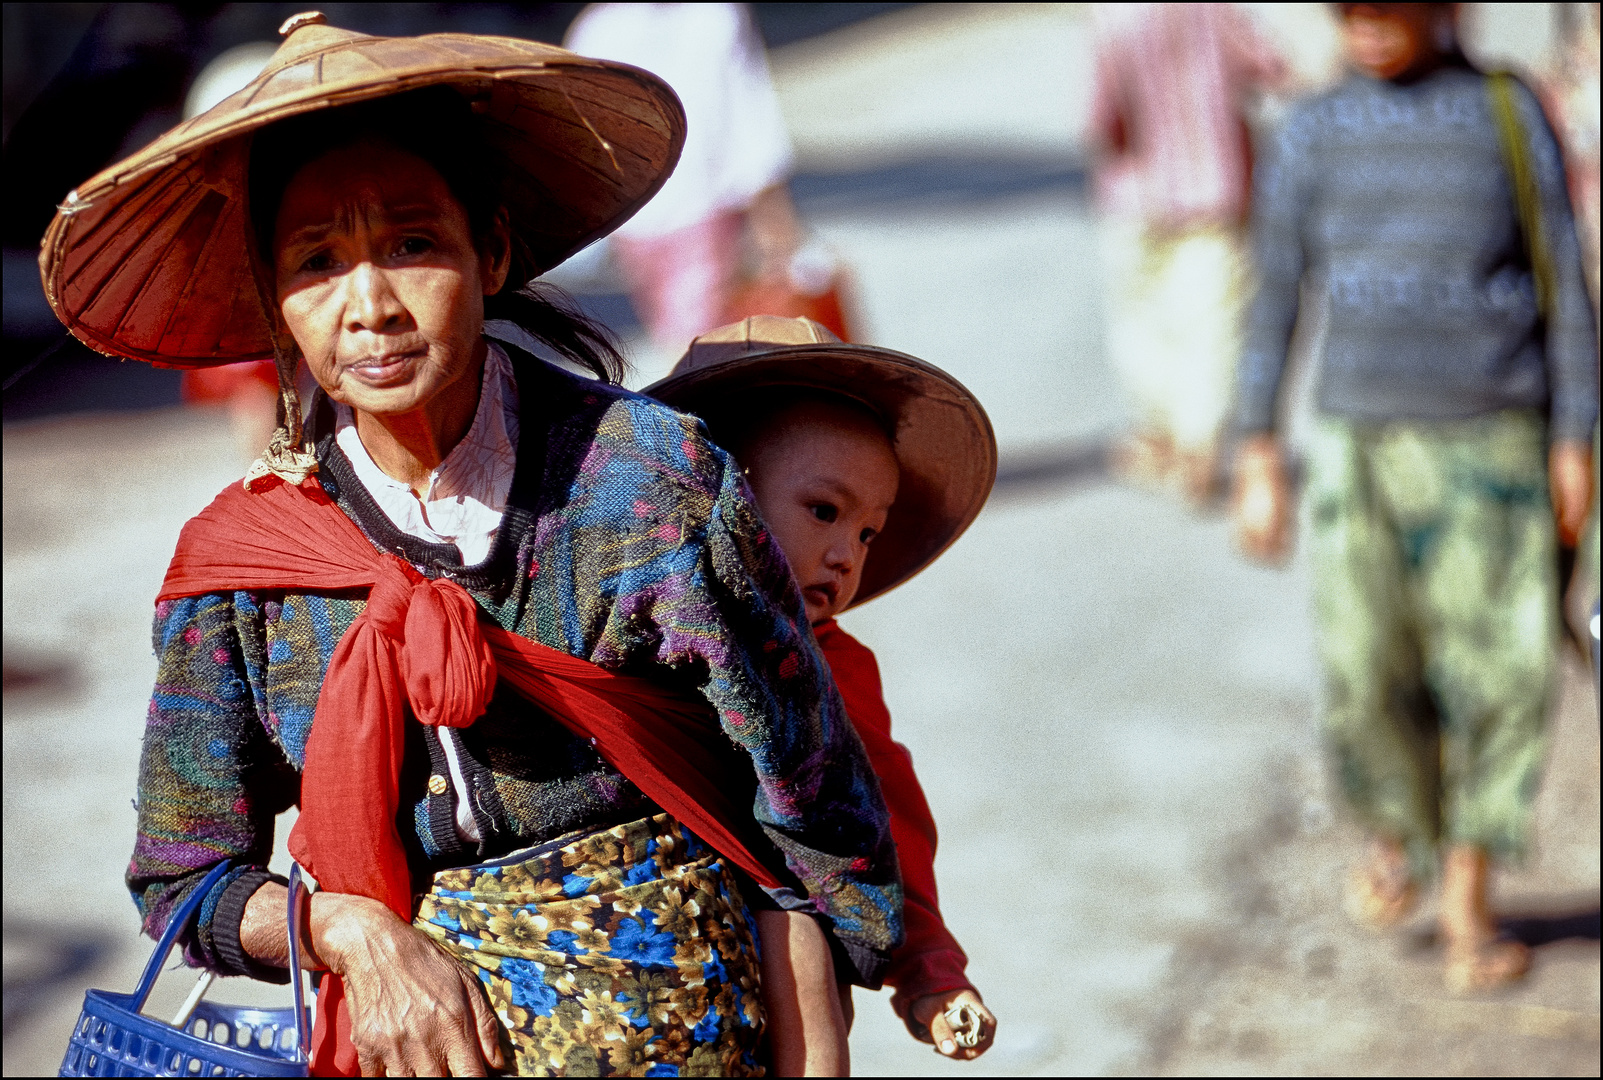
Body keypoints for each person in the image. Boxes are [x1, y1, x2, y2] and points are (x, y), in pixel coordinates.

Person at [40, 14, 903, 1075]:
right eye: (318, 261)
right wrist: (351, 932)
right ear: (276, 303)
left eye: (411, 244)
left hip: (695, 1026)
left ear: (487, 250)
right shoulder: (244, 571)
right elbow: (183, 879)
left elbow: (803, 787)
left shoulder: (647, 484)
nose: (371, 306)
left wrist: (834, 1003)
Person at [1230, 2, 1598, 991]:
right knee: (1365, 675)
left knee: (1497, 679)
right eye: (1348, 8)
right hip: (1360, 452)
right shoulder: (1309, 130)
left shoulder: (1507, 114)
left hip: (1496, 446)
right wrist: (1256, 450)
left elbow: (1563, 278)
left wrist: (1575, 439)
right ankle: (1397, 827)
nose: (1367, 24)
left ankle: (1468, 896)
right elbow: (1272, 294)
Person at [649, 315, 1000, 1060]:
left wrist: (929, 969)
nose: (845, 555)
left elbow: (882, 818)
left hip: (780, 975)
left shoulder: (831, 666)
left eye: (869, 532)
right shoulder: (614, 623)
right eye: (823, 511)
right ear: (716, 493)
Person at [1089, 2, 1286, 503]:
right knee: (1214, 322)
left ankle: (1163, 435)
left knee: (1145, 319)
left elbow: (1101, 116)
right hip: (1215, 188)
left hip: (1136, 195)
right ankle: (1200, 443)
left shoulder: (1108, 13)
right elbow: (1269, 65)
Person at [564, 3, 810, 354]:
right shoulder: (712, 15)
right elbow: (750, 122)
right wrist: (776, 222)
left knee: (692, 340)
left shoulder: (595, 29)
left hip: (643, 218)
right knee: (702, 344)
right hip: (697, 210)